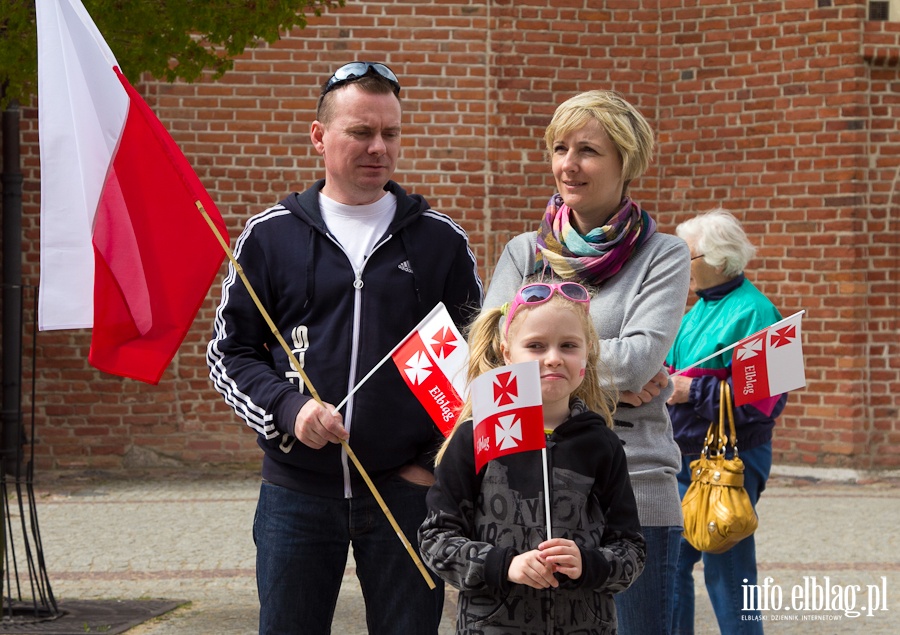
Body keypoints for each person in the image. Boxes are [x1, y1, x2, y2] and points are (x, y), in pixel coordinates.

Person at [206, 61, 484, 634]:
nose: (379, 147)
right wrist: (291, 409)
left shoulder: (439, 241)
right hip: (295, 492)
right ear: (319, 136)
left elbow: (478, 362)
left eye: (391, 133)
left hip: (406, 495)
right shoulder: (269, 236)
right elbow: (230, 353)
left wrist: (431, 462)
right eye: (361, 132)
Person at [483, 90, 690, 633]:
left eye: (588, 151)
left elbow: (642, 359)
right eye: (559, 148)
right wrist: (606, 383)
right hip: (529, 485)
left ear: (627, 161)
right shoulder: (524, 254)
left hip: (636, 488)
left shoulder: (662, 256)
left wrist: (546, 369)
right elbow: (485, 364)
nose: (568, 165)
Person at [419, 280, 646, 634]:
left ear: (586, 358)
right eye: (536, 346)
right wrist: (503, 565)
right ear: (507, 353)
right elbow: (437, 541)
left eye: (568, 346)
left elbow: (631, 549)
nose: (553, 357)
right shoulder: (474, 436)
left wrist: (588, 564)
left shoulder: (602, 444)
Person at [665, 208, 787, 634]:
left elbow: (764, 404)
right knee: (671, 567)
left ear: (719, 259)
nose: (682, 267)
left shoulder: (757, 312)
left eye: (688, 257)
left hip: (729, 462)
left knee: (728, 571)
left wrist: (688, 390)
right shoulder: (698, 307)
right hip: (686, 457)